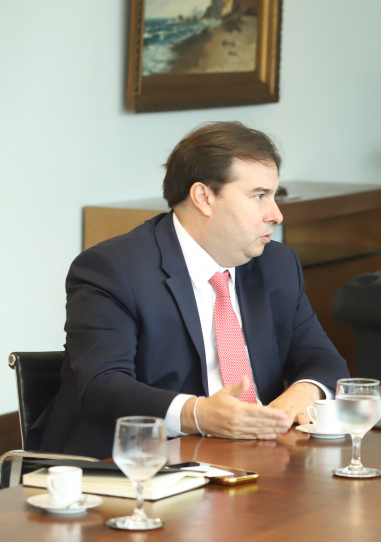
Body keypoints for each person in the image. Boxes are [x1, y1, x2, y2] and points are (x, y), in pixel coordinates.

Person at [35, 122, 350, 458]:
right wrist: (198, 414)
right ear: (203, 197)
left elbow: (323, 359)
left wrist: (303, 393)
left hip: (254, 461)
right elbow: (102, 386)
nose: (277, 214)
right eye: (259, 196)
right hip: (136, 466)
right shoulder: (113, 269)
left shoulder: (277, 265)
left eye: (273, 196)